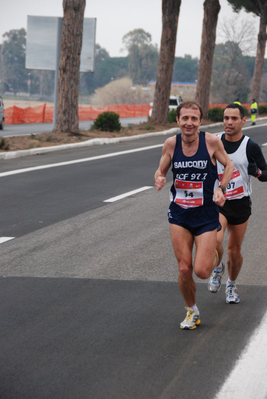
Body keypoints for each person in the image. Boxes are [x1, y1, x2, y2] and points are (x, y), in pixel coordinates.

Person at [154, 101, 233, 330]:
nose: (189, 123)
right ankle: (192, 310)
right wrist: (159, 177)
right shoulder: (171, 144)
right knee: (184, 268)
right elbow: (161, 170)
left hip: (206, 214)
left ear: (200, 121)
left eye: (194, 119)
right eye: (185, 118)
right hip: (179, 213)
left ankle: (217, 252)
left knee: (202, 271)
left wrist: (221, 188)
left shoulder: (210, 142)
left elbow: (228, 166)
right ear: (178, 121)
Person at [208, 103, 267, 303]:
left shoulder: (250, 146)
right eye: (226, 118)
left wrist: (257, 173)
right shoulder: (214, 143)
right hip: (219, 202)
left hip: (241, 203)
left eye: (234, 118)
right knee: (215, 240)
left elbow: (265, 173)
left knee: (234, 250)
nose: (229, 122)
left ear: (243, 120)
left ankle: (231, 285)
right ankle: (217, 268)